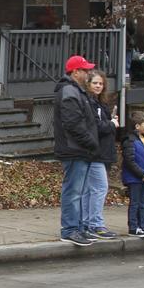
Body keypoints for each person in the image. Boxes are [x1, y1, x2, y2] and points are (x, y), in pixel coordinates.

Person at [53, 55, 99, 246]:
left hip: (80, 148)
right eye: (85, 70)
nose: (88, 73)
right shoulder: (70, 92)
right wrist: (90, 142)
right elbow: (73, 124)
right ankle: (70, 229)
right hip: (75, 149)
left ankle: (77, 228)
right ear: (75, 72)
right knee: (73, 192)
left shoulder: (77, 91)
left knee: (78, 191)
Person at [81, 69, 119, 240]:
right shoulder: (90, 103)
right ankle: (95, 224)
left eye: (101, 83)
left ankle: (87, 223)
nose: (98, 86)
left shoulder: (99, 103)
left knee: (91, 190)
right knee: (99, 188)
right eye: (95, 83)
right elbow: (96, 127)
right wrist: (112, 124)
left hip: (101, 152)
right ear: (88, 84)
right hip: (95, 153)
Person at [121, 110, 144, 237]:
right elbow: (129, 161)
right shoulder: (130, 140)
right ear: (137, 126)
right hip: (135, 177)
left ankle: (143, 225)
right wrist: (142, 174)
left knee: (141, 203)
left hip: (143, 177)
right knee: (135, 203)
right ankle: (133, 227)